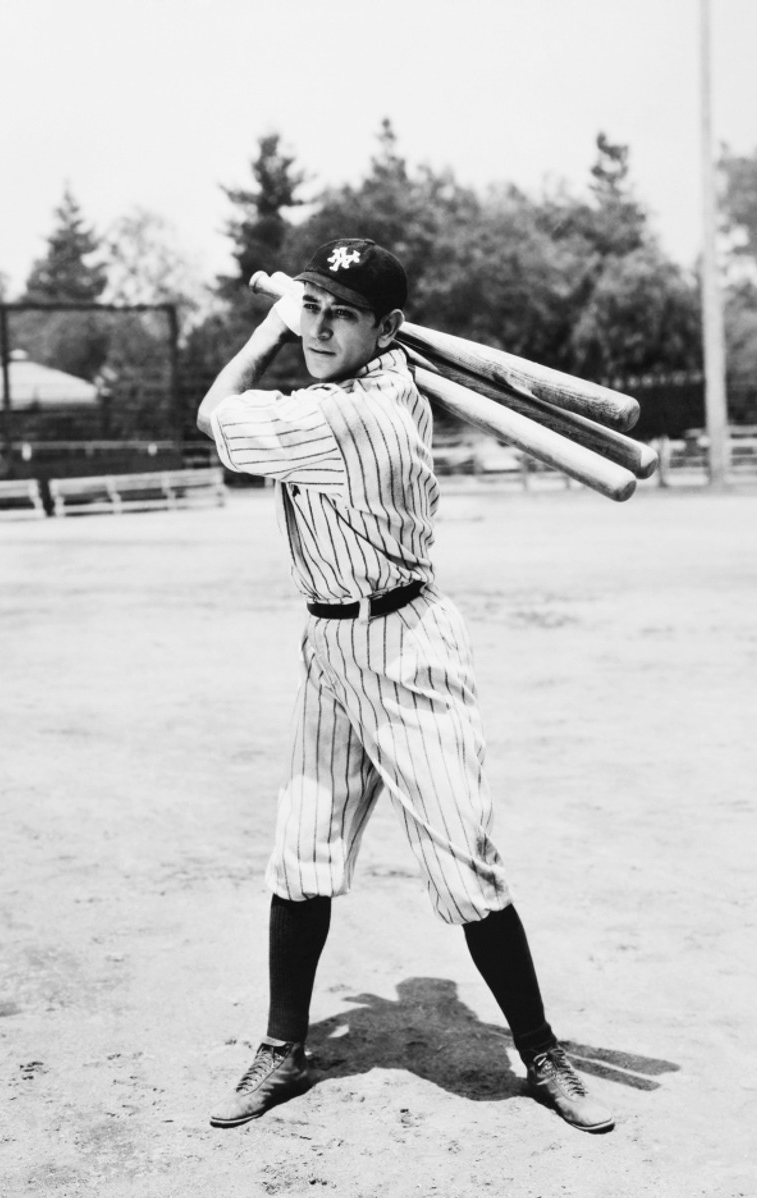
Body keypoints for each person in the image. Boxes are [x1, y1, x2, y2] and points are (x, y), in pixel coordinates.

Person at [196, 238, 613, 1134]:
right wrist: (305, 322)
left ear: (386, 330)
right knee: (300, 853)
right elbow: (311, 380)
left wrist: (269, 327)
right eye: (311, 305)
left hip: (405, 652)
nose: (318, 324)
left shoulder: (355, 417)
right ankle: (281, 1047)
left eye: (340, 313)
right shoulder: (377, 383)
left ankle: (541, 1053)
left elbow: (214, 415)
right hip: (329, 642)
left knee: (464, 866)